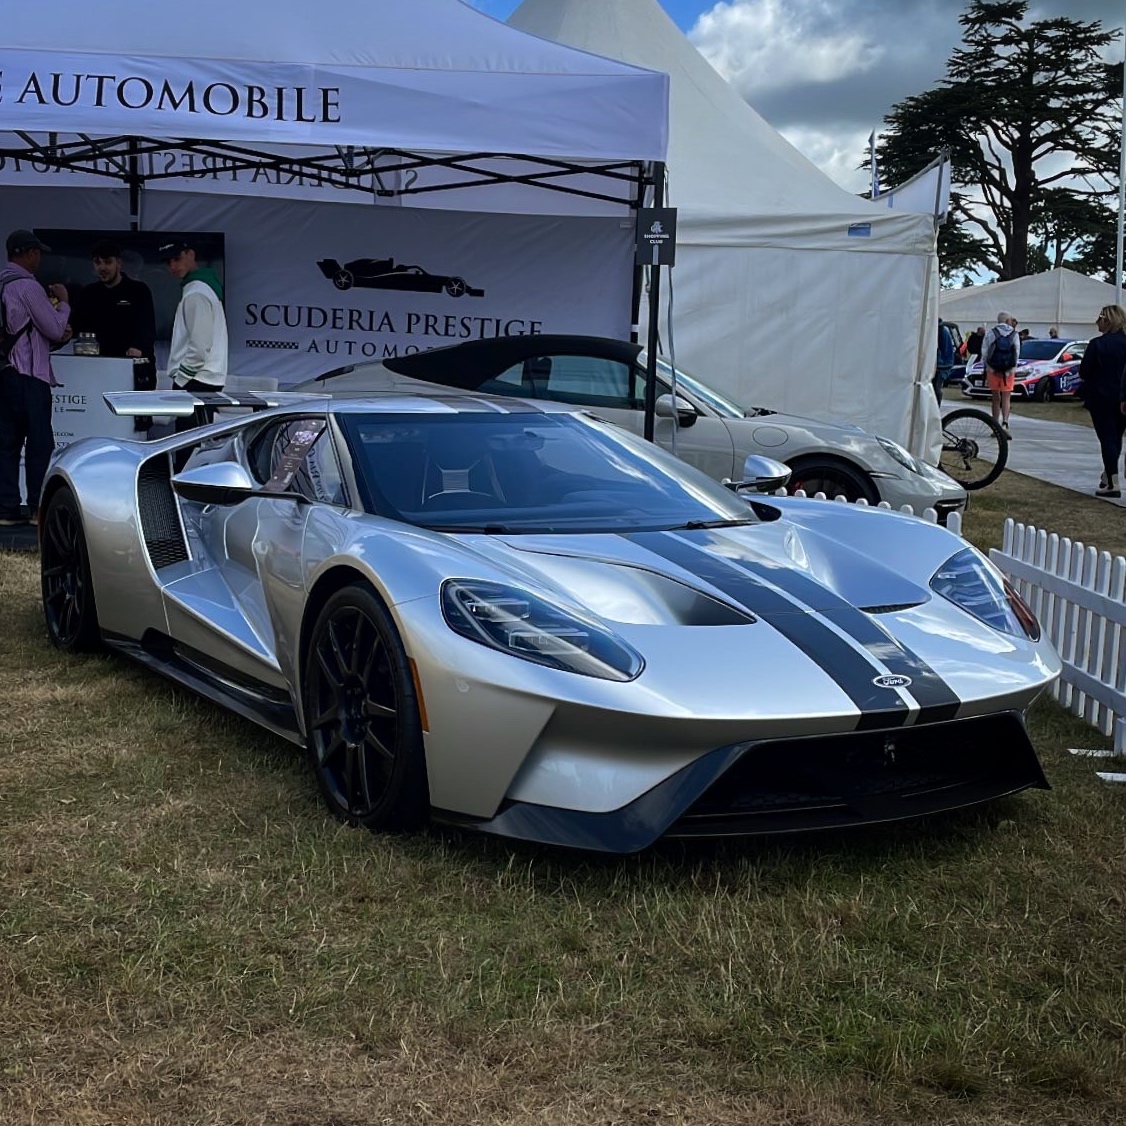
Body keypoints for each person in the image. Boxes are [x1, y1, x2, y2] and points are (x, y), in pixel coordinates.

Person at [0, 230, 71, 526]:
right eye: (38, 252)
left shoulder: (2, 283)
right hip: (30, 376)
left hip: (5, 373)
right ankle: (36, 508)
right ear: (30, 253)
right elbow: (53, 329)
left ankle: (6, 509)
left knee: (6, 444)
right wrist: (64, 304)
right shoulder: (28, 286)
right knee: (39, 444)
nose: (40, 258)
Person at [70, 239, 157, 432]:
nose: (102, 267)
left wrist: (138, 347)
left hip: (133, 371)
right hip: (99, 372)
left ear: (119, 263)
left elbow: (148, 327)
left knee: (134, 426)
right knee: (98, 420)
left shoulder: (138, 290)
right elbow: (74, 326)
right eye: (97, 262)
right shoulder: (89, 293)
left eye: (107, 262)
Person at [158, 239, 228, 432]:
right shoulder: (202, 288)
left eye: (177, 259)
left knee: (188, 442)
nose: (173, 266)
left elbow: (200, 345)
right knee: (198, 439)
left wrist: (181, 380)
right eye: (168, 262)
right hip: (205, 378)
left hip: (196, 379)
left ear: (191, 254)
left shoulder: (196, 292)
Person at [1076, 304, 1126, 499]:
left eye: (1100, 318)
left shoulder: (1097, 344)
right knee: (1116, 437)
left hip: (1102, 396)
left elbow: (1085, 372)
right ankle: (1108, 474)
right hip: (1122, 396)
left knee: (1107, 438)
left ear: (1108, 320)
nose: (1097, 322)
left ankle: (1113, 482)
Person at [980, 311, 1020, 436]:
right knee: (1006, 397)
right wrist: (1011, 369)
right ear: (1008, 321)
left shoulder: (991, 333)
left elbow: (984, 351)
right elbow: (1017, 353)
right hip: (1008, 371)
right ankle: (1005, 423)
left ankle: (995, 424)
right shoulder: (1014, 334)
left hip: (993, 369)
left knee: (995, 398)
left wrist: (989, 367)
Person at [934, 317, 955, 403]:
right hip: (939, 364)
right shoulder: (941, 331)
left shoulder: (943, 332)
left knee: (936, 388)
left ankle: (936, 406)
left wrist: (941, 365)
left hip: (942, 366)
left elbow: (947, 353)